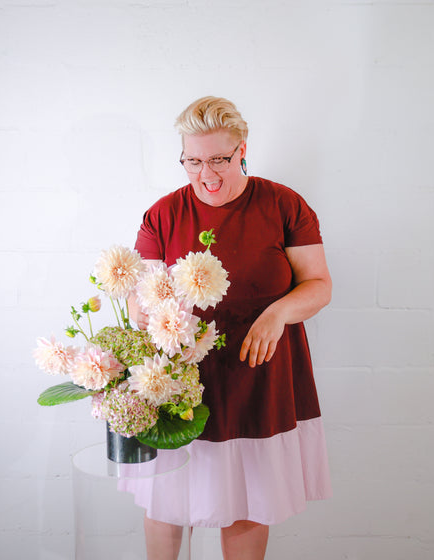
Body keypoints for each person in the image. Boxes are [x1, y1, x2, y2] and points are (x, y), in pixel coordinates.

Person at [130, 96, 332, 560]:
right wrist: (143, 312)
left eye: (219, 158)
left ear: (242, 149)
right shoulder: (162, 214)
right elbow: (139, 294)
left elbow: (319, 285)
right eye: (194, 161)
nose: (207, 174)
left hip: (260, 379)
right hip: (183, 383)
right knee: (167, 500)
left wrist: (278, 313)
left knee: (247, 504)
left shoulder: (284, 205)